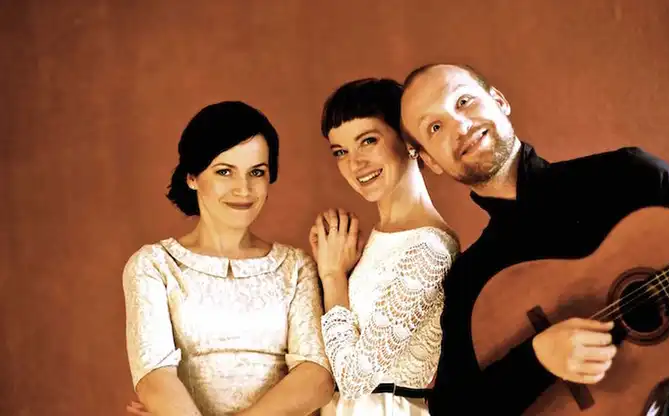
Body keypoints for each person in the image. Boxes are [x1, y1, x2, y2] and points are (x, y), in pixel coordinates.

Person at [398, 63, 669, 416]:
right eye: (435, 127)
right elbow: (453, 409)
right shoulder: (472, 278)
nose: (460, 126)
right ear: (431, 161)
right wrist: (536, 359)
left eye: (464, 101)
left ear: (499, 101)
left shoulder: (629, 177)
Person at [122, 101, 334, 416]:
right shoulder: (154, 265)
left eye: (257, 172)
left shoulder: (296, 267)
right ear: (192, 177)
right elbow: (155, 379)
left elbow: (316, 378)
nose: (243, 189)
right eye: (224, 172)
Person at [309, 78, 461, 416]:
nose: (355, 163)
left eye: (368, 141)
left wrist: (333, 277)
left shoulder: (430, 249)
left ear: (408, 140)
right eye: (341, 152)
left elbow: (354, 379)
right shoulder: (380, 238)